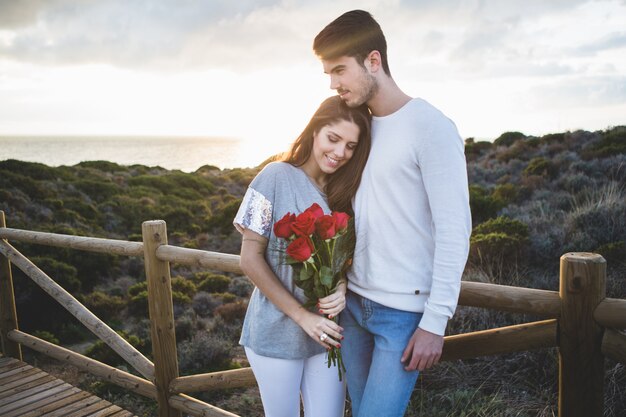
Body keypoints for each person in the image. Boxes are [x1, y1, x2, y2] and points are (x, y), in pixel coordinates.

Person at [313, 10, 472, 417]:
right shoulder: (359, 129)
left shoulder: (431, 126)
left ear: (373, 61)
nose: (333, 84)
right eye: (328, 74)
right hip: (352, 308)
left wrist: (435, 322)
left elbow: (455, 229)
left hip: (402, 316)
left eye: (339, 70)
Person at [233, 95, 371, 417]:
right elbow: (249, 258)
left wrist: (340, 288)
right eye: (333, 139)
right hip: (276, 333)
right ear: (314, 131)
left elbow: (345, 259)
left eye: (351, 146)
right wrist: (302, 316)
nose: (339, 153)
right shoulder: (275, 176)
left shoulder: (347, 192)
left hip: (327, 335)